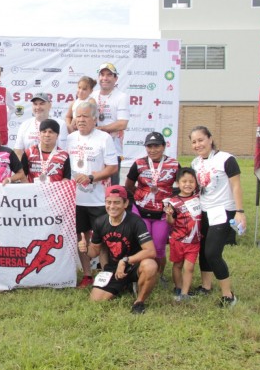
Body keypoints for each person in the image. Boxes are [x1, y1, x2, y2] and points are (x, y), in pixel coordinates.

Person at [78, 185, 158, 314]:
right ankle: (125, 285)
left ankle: (139, 302)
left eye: (117, 202)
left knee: (150, 265)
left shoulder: (136, 222)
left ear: (125, 203)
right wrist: (86, 249)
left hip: (133, 265)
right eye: (108, 202)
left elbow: (151, 251)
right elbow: (95, 251)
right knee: (96, 301)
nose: (112, 206)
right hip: (113, 268)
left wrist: (125, 260)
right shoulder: (100, 222)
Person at [190, 126, 245, 307]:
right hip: (203, 211)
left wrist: (240, 211)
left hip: (222, 211)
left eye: (201, 140)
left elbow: (236, 186)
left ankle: (228, 295)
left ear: (210, 139)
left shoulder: (226, 159)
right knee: (203, 251)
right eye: (194, 142)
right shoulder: (195, 163)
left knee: (213, 252)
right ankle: (206, 286)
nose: (198, 145)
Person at [66, 101, 118, 287]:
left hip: (98, 199)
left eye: (85, 116)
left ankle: (105, 274)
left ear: (94, 118)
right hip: (76, 200)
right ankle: (87, 274)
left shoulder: (104, 138)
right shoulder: (70, 138)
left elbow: (112, 167)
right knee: (81, 238)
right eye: (78, 116)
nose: (80, 120)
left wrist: (91, 177)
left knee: (103, 239)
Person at [125, 132, 180, 285]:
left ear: (164, 146)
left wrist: (171, 202)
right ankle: (139, 273)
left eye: (157, 146)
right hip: (140, 211)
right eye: (149, 146)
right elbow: (129, 185)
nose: (153, 149)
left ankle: (159, 274)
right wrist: (141, 196)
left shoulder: (174, 165)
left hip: (162, 213)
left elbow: (181, 186)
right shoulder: (139, 163)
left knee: (159, 247)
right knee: (141, 245)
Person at [163, 167, 202, 301]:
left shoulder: (198, 198)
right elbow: (171, 222)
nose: (188, 184)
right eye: (184, 181)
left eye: (191, 181)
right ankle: (178, 287)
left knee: (189, 267)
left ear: (196, 183)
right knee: (178, 265)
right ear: (178, 183)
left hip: (194, 242)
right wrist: (168, 215)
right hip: (178, 240)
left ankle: (185, 294)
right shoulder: (173, 202)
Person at [92, 63, 129, 185]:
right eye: (102, 75)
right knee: (93, 184)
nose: (105, 78)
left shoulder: (121, 97)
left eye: (109, 75)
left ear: (115, 78)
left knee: (112, 189)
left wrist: (99, 129)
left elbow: (122, 124)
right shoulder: (92, 96)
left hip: (113, 149)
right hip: (93, 149)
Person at [14, 93, 68, 158]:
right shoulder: (24, 125)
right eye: (35, 104)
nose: (38, 107)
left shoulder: (60, 124)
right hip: (29, 166)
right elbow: (18, 151)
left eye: (42, 104)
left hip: (53, 165)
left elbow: (62, 150)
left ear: (49, 105)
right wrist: (22, 167)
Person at [21, 119, 71, 183]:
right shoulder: (29, 153)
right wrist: (30, 189)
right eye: (44, 131)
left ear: (57, 135)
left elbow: (66, 178)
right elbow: (22, 176)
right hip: (33, 191)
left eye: (51, 132)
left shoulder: (64, 156)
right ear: (39, 134)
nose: (47, 135)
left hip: (55, 192)